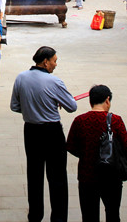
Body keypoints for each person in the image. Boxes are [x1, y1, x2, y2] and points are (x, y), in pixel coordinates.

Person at [11, 47, 78, 222]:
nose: (55, 64)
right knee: (57, 177)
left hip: (31, 131)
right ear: (46, 61)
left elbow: (14, 106)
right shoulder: (54, 81)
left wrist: (31, 109)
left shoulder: (21, 77)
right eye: (54, 61)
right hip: (52, 132)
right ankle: (59, 217)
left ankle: (35, 215)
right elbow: (72, 106)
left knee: (34, 174)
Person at [67, 85, 127, 222]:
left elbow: (71, 146)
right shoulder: (115, 120)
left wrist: (86, 154)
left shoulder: (80, 120)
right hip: (111, 176)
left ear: (90, 101)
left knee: (89, 215)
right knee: (113, 213)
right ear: (107, 100)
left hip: (87, 175)